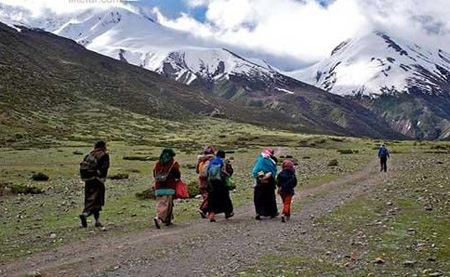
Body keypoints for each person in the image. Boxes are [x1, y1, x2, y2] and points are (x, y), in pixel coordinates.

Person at [79, 140, 110, 228]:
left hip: (88, 180)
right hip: (97, 180)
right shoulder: (104, 155)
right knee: (97, 200)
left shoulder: (90, 155)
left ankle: (96, 220)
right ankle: (86, 215)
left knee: (89, 198)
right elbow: (104, 167)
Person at [153, 148, 181, 229]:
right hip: (169, 186)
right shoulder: (173, 163)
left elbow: (154, 174)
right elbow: (177, 174)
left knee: (160, 203)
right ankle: (159, 218)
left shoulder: (158, 163)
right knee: (167, 205)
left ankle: (168, 220)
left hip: (158, 187)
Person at [207, 150, 234, 222]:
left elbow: (207, 172)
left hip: (211, 183)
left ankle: (212, 215)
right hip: (222, 183)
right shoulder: (224, 161)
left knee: (212, 199)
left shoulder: (211, 161)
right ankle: (227, 212)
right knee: (225, 198)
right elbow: (229, 171)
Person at [251, 148, 278, 220]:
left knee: (259, 198)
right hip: (269, 182)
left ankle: (259, 213)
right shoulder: (271, 161)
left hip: (260, 181)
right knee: (270, 197)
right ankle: (272, 213)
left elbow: (255, 171)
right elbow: (273, 171)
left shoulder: (260, 160)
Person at [196, 146, 215, 219]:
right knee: (209, 196)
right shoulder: (211, 160)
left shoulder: (200, 160)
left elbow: (197, 171)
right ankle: (203, 209)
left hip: (201, 180)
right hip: (208, 180)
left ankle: (208, 210)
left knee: (205, 195)